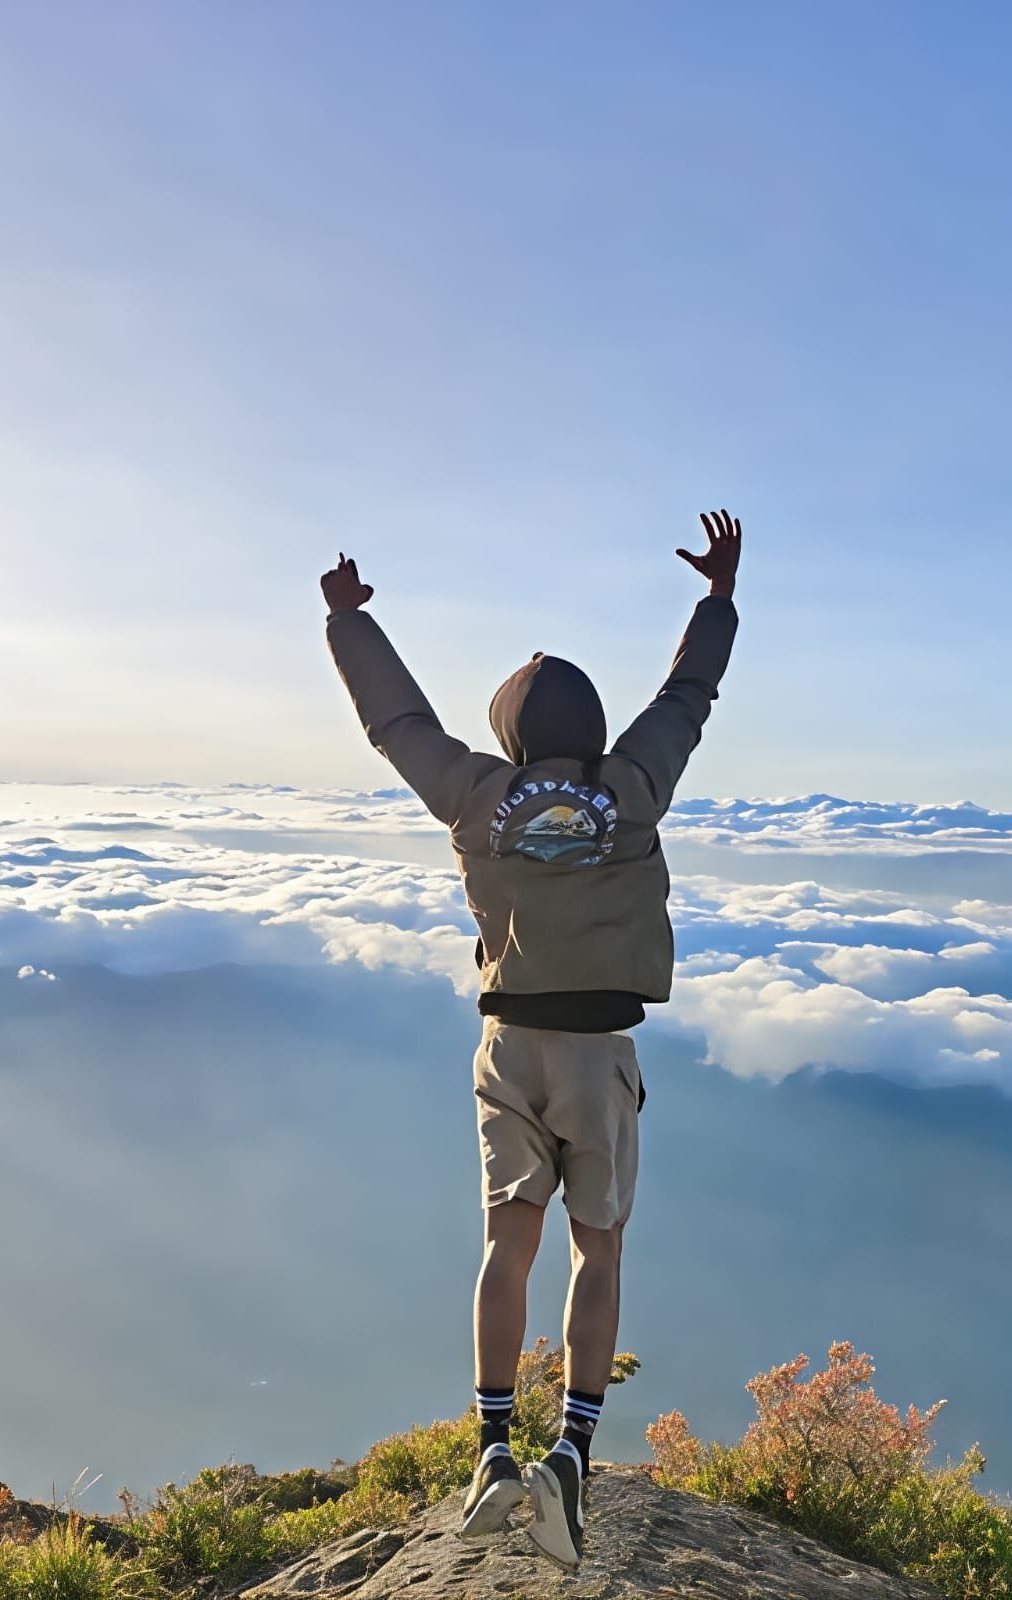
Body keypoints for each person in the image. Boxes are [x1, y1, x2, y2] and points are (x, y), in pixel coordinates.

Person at [320, 510, 741, 1571]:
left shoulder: (473, 797)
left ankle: (491, 1452)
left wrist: (348, 626)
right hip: (601, 1053)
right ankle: (572, 1460)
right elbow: (685, 700)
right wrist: (717, 598)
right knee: (597, 1248)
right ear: (592, 729)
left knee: (506, 1244)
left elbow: (398, 723)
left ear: (505, 735)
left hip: (508, 1049)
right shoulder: (632, 786)